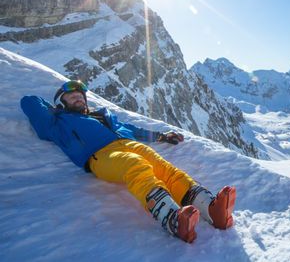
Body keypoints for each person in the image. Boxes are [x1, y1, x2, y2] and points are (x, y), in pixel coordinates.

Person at [20, 80, 236, 243]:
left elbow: (133, 129)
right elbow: (28, 102)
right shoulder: (59, 123)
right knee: (136, 166)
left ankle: (211, 209)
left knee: (166, 170)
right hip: (101, 155)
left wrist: (161, 136)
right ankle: (172, 219)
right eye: (71, 96)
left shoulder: (103, 116)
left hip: (129, 143)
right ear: (62, 102)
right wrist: (54, 110)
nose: (78, 98)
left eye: (80, 95)